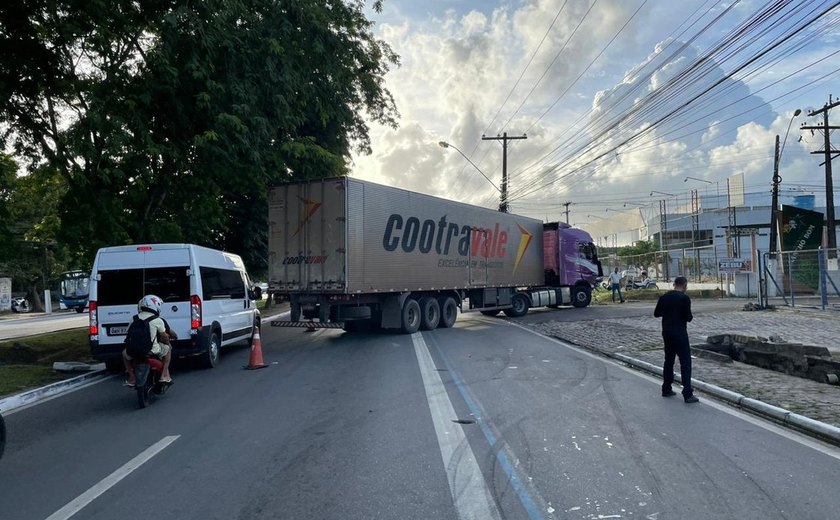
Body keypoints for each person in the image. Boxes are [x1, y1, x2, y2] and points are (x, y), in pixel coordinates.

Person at [653, 277, 698, 403]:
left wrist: (668, 313)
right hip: (680, 333)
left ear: (674, 285)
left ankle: (666, 388)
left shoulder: (664, 297)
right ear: (685, 286)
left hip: (666, 332)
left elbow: (656, 313)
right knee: (685, 363)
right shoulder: (684, 298)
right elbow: (688, 317)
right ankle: (687, 393)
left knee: (669, 360)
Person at [123, 294, 174, 387]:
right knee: (168, 350)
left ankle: (131, 377)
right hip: (152, 350)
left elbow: (128, 334)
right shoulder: (157, 320)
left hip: (134, 351)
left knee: (124, 354)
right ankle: (164, 375)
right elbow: (164, 336)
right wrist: (168, 344)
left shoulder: (134, 318)